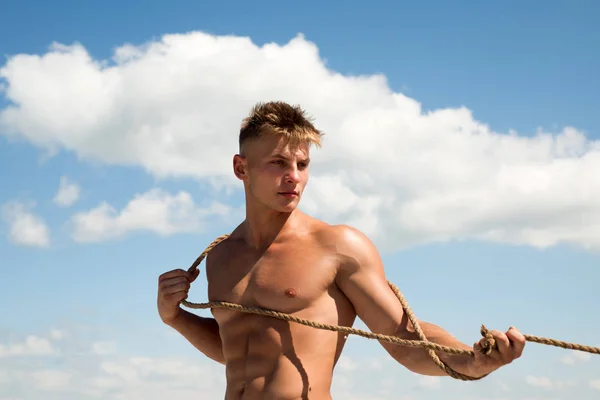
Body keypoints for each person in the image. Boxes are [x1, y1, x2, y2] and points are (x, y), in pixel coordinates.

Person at [157, 101, 526, 399]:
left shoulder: (337, 246)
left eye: (302, 164)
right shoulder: (221, 257)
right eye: (278, 163)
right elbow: (238, 349)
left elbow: (405, 338)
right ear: (241, 168)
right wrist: (175, 318)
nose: (294, 176)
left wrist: (473, 362)